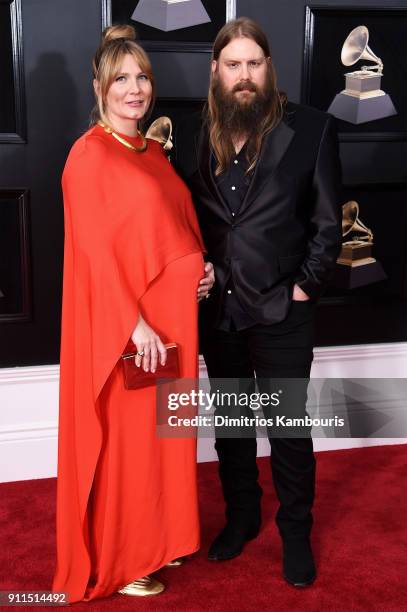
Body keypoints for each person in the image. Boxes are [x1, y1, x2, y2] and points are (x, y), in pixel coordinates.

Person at [174, 17, 342, 587]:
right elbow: (185, 223)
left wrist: (303, 288)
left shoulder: (313, 129)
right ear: (215, 72)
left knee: (289, 431)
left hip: (283, 309)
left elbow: (327, 225)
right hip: (218, 308)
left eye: (254, 63)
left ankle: (296, 533)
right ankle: (242, 518)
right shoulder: (194, 132)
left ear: (269, 68)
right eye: (232, 64)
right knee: (232, 427)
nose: (244, 75)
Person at [52, 25, 214, 603]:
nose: (135, 88)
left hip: (174, 322)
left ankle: (161, 536)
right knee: (130, 443)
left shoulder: (151, 152)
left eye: (142, 76)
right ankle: (125, 557)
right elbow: (94, 252)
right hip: (134, 331)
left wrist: (201, 269)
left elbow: (169, 227)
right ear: (99, 86)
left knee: (165, 437)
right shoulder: (88, 156)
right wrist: (134, 323)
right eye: (121, 78)